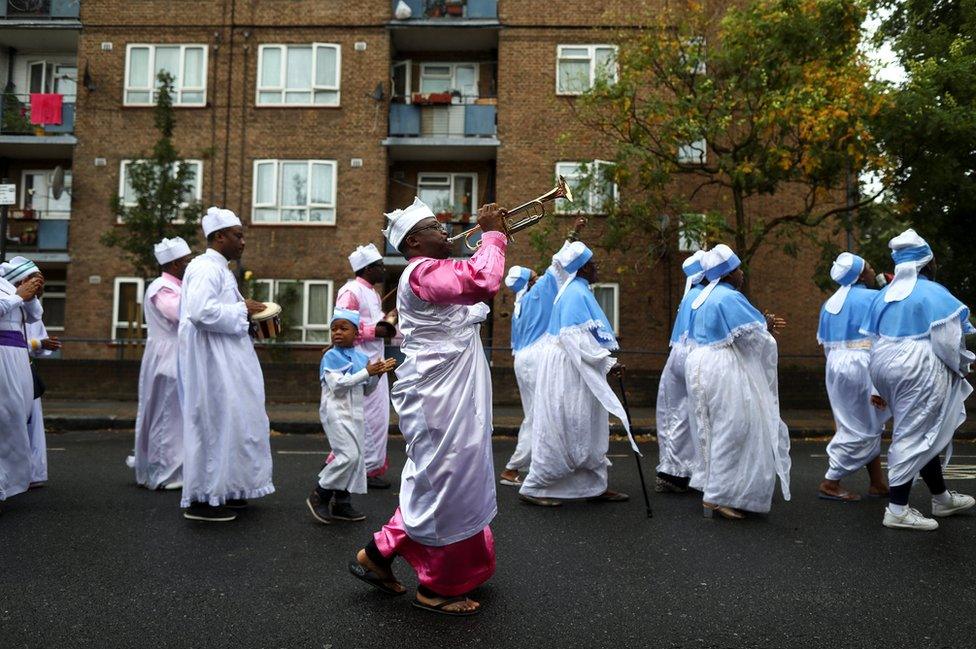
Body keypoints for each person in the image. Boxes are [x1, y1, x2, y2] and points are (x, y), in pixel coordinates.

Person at [349, 197, 506, 616]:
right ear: (415, 241)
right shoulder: (422, 273)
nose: (446, 230)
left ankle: (378, 555)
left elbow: (469, 299)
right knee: (446, 478)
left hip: (450, 392)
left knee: (446, 478)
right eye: (437, 227)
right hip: (440, 397)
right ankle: (436, 588)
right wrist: (492, 233)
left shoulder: (432, 272)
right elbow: (482, 280)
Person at [860, 229, 975, 531]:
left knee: (921, 430)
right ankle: (897, 509)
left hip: (883, 365)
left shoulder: (884, 294)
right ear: (927, 262)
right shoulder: (935, 293)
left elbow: (874, 340)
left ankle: (941, 498)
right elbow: (950, 342)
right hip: (919, 366)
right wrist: (962, 368)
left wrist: (876, 384)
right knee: (914, 433)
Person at [519, 241, 636, 507]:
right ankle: (536, 486)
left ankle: (594, 485)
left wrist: (605, 362)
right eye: (592, 264)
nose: (597, 267)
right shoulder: (574, 293)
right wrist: (607, 363)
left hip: (574, 368)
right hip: (570, 371)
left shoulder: (577, 290)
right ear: (582, 269)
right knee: (570, 426)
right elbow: (577, 341)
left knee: (589, 426)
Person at [178, 206, 273, 522]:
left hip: (225, 360)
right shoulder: (205, 267)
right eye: (238, 235)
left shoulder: (219, 269)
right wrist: (242, 309)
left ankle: (227, 488)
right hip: (211, 364)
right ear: (219, 237)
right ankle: (203, 499)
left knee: (233, 423)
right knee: (213, 423)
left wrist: (246, 314)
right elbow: (201, 312)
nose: (243, 242)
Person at [684, 244, 791, 520]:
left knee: (710, 427)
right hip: (724, 368)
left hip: (698, 364)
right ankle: (720, 495)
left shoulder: (702, 297)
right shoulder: (729, 297)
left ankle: (717, 488)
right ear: (729, 274)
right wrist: (767, 330)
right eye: (738, 269)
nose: (741, 274)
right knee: (735, 427)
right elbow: (755, 339)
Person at [499, 216, 585, 487]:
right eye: (534, 275)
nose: (538, 276)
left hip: (521, 360)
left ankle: (540, 463)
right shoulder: (539, 291)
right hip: (537, 358)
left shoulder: (519, 304)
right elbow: (558, 264)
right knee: (540, 414)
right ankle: (515, 467)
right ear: (531, 280)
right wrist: (573, 234)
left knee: (535, 413)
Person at [307, 308, 397, 524]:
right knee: (347, 455)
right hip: (335, 412)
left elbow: (366, 389)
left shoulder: (361, 357)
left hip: (355, 412)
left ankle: (342, 502)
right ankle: (320, 493)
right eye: (334, 329)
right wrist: (367, 372)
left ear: (356, 333)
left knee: (356, 458)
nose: (337, 332)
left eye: (343, 328)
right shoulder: (330, 356)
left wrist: (378, 374)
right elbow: (337, 386)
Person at [816, 252, 889, 501]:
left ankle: (877, 482)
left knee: (861, 422)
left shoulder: (829, 303)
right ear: (859, 274)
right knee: (865, 426)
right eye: (868, 267)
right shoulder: (874, 298)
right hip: (863, 363)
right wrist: (878, 385)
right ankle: (831, 481)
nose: (872, 270)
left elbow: (824, 345)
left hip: (836, 365)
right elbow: (884, 340)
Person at [129, 237, 192, 491]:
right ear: (175, 263)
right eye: (186, 261)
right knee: (167, 414)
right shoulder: (163, 288)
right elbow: (180, 313)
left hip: (174, 352)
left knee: (175, 414)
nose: (189, 264)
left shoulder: (174, 285)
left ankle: (171, 467)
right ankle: (163, 473)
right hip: (168, 355)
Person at [334, 244, 398, 490]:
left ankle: (367, 468)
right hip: (358, 364)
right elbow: (340, 326)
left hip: (376, 365)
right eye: (379, 266)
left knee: (378, 419)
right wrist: (376, 330)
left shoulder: (370, 293)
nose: (383, 270)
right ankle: (356, 468)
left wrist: (389, 322)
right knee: (363, 418)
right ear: (367, 269)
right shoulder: (350, 291)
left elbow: (377, 326)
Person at [655, 250, 706, 493]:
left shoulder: (688, 297)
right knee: (693, 416)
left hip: (677, 355)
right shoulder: (703, 296)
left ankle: (674, 469)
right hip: (694, 356)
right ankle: (684, 472)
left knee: (677, 415)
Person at [0, 257, 44, 509]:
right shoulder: (8, 288)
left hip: (18, 359)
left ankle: (10, 480)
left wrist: (32, 295)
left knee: (18, 417)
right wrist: (19, 295)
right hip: (2, 356)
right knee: (4, 419)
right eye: (33, 277)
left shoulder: (18, 291)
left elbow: (35, 317)